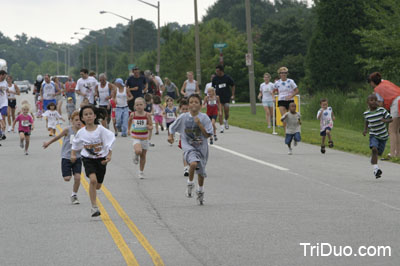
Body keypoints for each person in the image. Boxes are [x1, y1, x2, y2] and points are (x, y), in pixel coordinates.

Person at [168, 94, 213, 205]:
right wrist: (170, 136)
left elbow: (207, 135)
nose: (193, 104)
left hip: (201, 148)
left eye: (196, 102)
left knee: (201, 173)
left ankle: (200, 191)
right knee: (193, 164)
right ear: (188, 105)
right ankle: (190, 183)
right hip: (188, 146)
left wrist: (199, 124)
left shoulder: (204, 118)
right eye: (191, 102)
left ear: (201, 105)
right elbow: (172, 127)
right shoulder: (183, 117)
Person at [71, 105, 115, 217]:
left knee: (98, 185)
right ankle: (94, 207)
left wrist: (109, 156)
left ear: (95, 116)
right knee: (93, 180)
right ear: (82, 118)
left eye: (90, 114)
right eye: (86, 114)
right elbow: (75, 144)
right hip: (88, 159)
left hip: (101, 159)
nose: (89, 116)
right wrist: (72, 155)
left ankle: (93, 192)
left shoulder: (101, 130)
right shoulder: (81, 132)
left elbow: (109, 143)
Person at [43, 111, 82, 204]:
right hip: (66, 157)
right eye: (76, 120)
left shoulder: (83, 131)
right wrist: (48, 143)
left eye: (80, 120)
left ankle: (74, 194)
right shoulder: (68, 130)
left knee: (77, 177)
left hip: (77, 157)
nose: (78, 122)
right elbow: (58, 137)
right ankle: (68, 173)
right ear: (72, 121)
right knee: (67, 178)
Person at [368, 72, 400, 158]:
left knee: (392, 130)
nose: (370, 84)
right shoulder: (385, 82)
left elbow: (381, 104)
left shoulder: (378, 89)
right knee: (396, 130)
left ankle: (392, 154)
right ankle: (398, 153)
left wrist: (374, 103)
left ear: (372, 82)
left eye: (370, 82)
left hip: (396, 103)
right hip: (398, 99)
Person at [363, 94, 392, 178]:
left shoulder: (382, 110)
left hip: (383, 136)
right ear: (367, 103)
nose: (374, 102)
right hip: (373, 135)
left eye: (376, 100)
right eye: (372, 100)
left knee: (378, 153)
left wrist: (385, 120)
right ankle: (376, 170)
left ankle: (373, 158)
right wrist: (365, 130)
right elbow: (366, 121)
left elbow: (391, 119)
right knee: (374, 149)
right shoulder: (366, 113)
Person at [128, 97, 153, 179]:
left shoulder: (147, 115)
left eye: (141, 104)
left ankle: (141, 172)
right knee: (139, 151)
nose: (139, 106)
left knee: (143, 156)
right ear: (134, 106)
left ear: (144, 105)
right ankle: (136, 154)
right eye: (137, 105)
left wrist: (149, 127)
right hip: (136, 136)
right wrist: (128, 129)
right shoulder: (133, 114)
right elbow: (129, 122)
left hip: (144, 137)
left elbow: (151, 125)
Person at [212, 65, 235, 133]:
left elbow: (233, 85)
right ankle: (221, 127)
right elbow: (213, 88)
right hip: (218, 98)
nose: (216, 72)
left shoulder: (227, 78)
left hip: (226, 97)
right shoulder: (215, 78)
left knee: (226, 112)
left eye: (218, 71)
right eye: (216, 71)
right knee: (220, 112)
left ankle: (226, 120)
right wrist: (213, 96)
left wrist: (233, 95)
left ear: (221, 71)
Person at [177, 99, 190, 176]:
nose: (185, 111)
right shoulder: (180, 117)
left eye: (186, 109)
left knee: (193, 152)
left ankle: (193, 164)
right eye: (183, 109)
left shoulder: (193, 116)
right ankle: (186, 168)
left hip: (193, 137)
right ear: (180, 109)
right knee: (185, 152)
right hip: (184, 137)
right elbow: (175, 127)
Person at [0, 70, 8, 139]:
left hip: (4, 103)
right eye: (4, 76)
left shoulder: (5, 82)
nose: (5, 77)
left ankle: (3, 133)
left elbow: (7, 90)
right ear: (1, 75)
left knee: (3, 117)